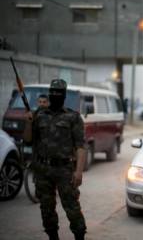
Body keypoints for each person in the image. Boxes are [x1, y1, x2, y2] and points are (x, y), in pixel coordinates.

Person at [24, 79, 87, 240]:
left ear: (64, 96)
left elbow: (80, 146)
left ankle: (79, 236)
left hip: (64, 170)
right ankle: (53, 237)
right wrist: (28, 122)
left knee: (72, 207)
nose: (55, 95)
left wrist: (78, 172)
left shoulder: (73, 117)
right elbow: (28, 140)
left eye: (58, 93)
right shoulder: (38, 114)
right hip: (43, 170)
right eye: (52, 92)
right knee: (46, 209)